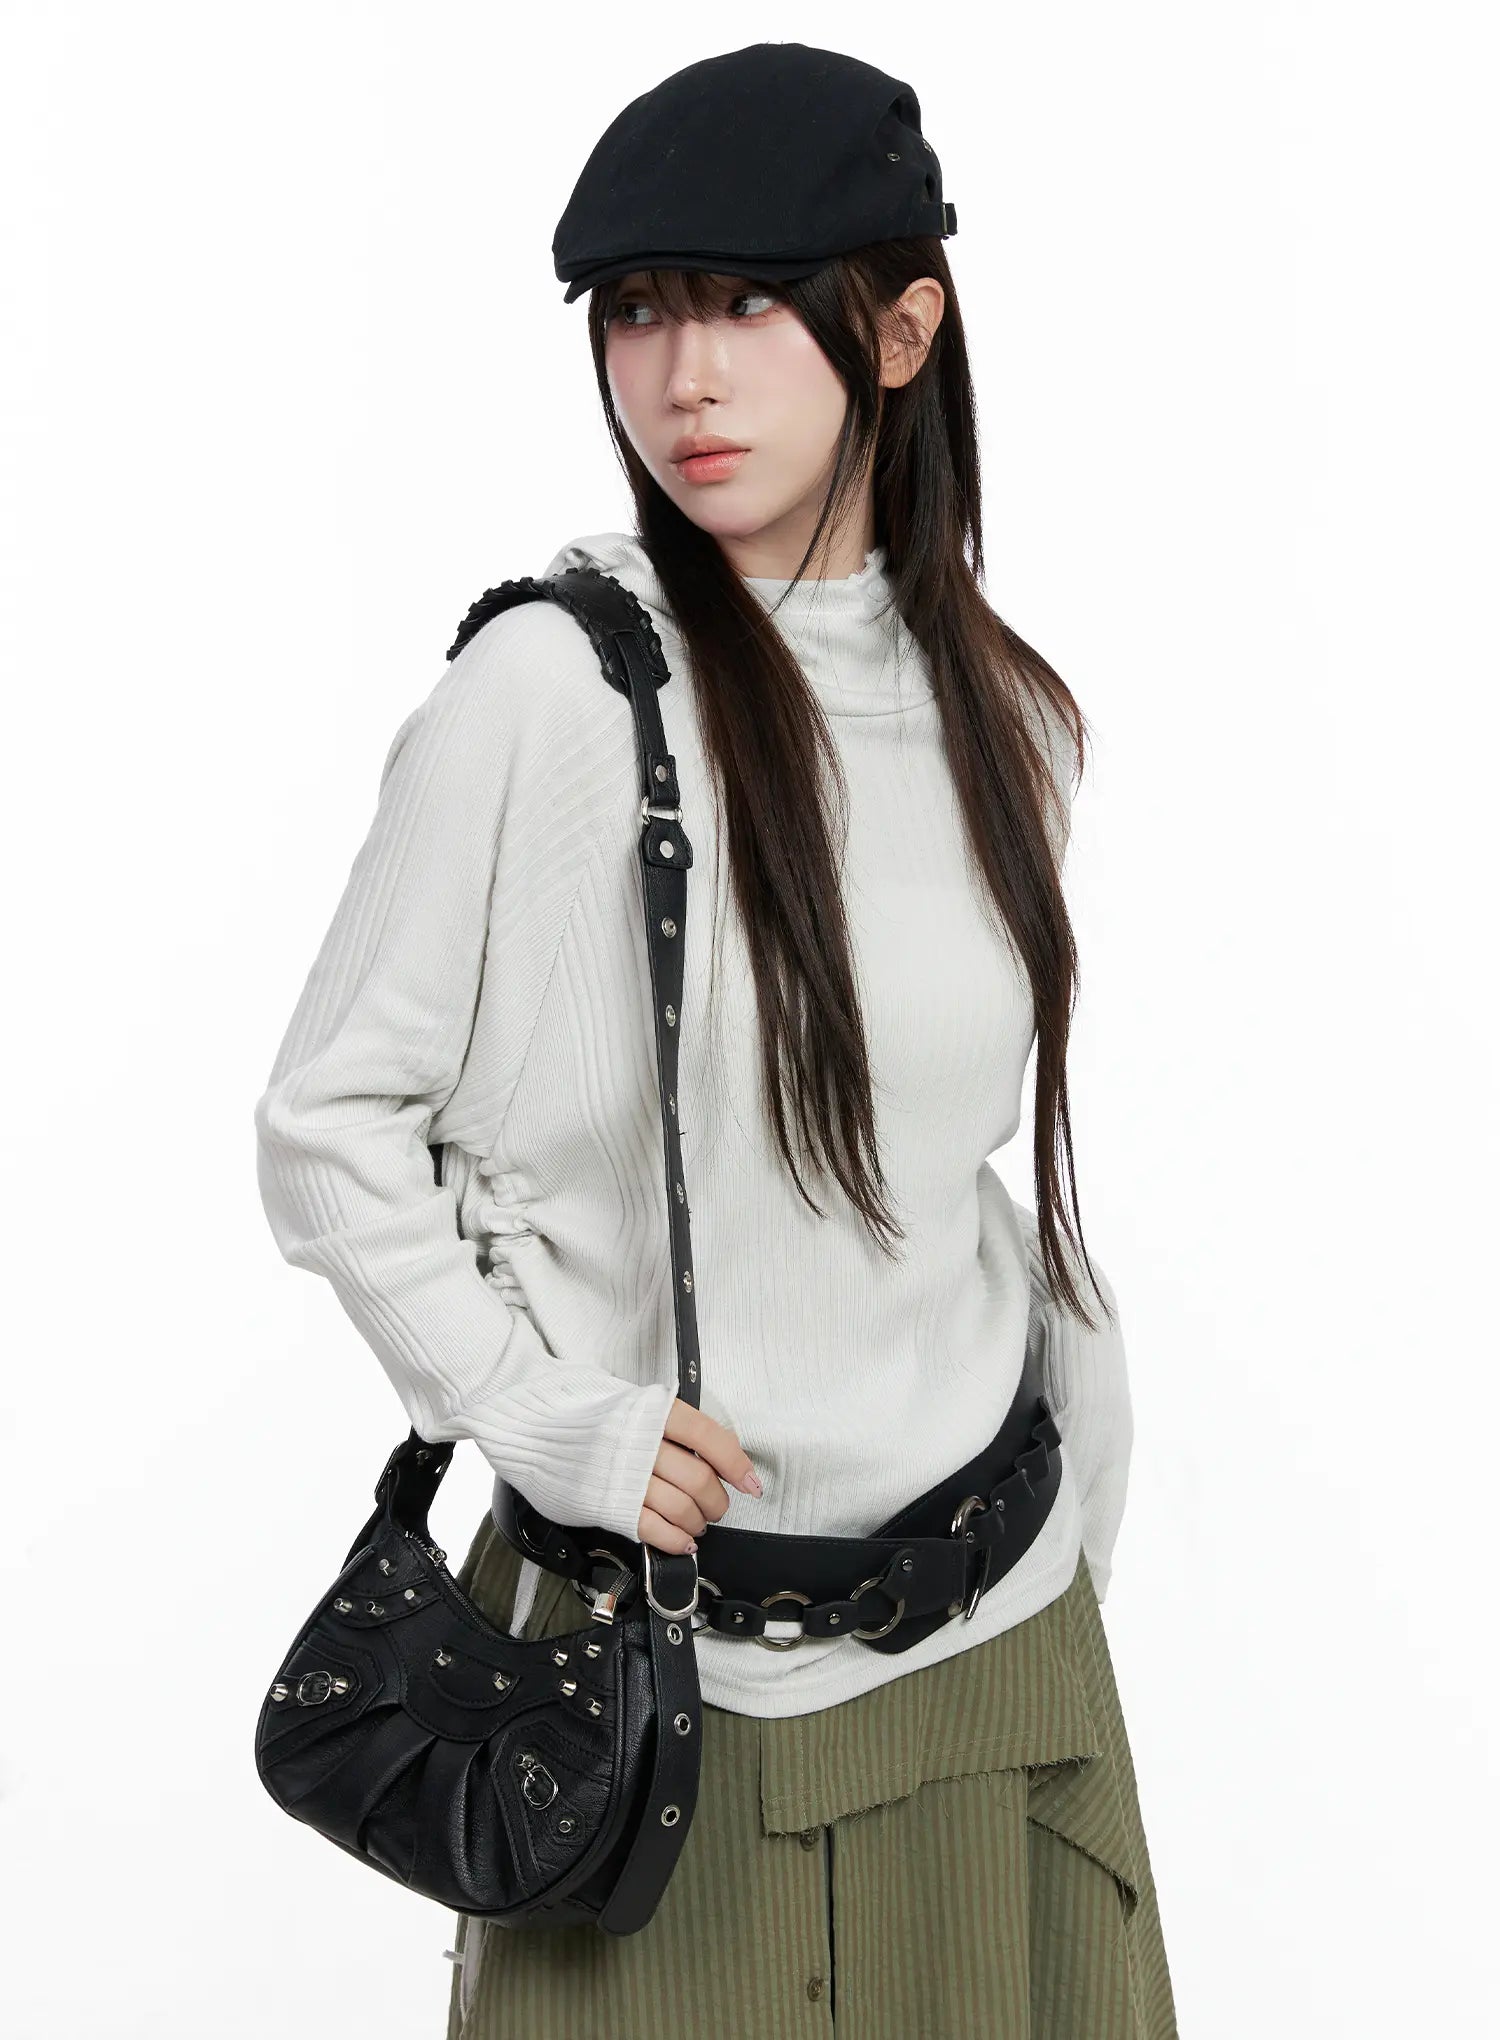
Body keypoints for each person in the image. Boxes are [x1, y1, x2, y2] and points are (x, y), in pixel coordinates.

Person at [253, 40, 1178, 2039]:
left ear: (901, 331)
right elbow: (328, 1127)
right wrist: (543, 1416)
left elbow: (946, 1156)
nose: (682, 378)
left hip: (1004, 1646)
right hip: (654, 1683)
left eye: (747, 305)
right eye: (637, 311)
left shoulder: (1010, 717)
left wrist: (1089, 1413)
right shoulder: (551, 699)